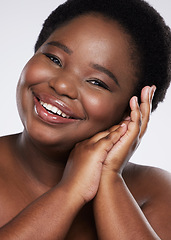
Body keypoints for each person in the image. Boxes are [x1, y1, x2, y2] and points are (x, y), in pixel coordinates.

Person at [0, 0, 171, 239]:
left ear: (131, 112)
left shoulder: (153, 191)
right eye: (54, 59)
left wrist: (110, 177)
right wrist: (71, 190)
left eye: (97, 82)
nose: (62, 85)